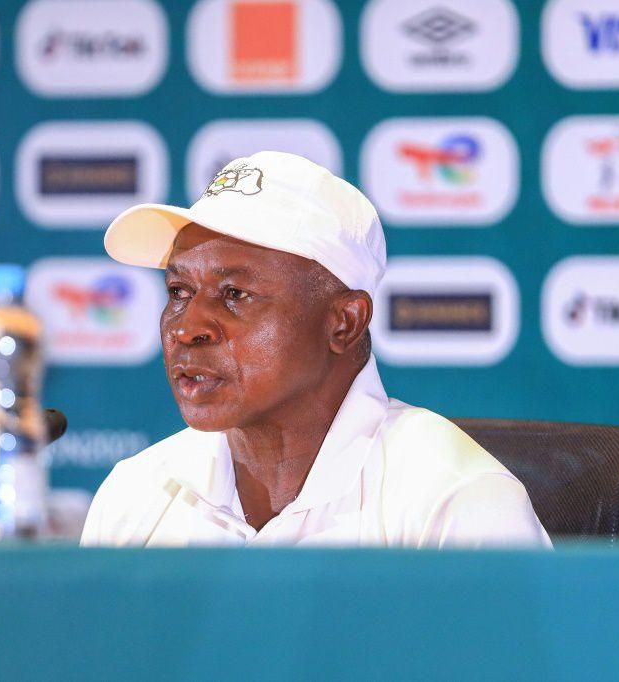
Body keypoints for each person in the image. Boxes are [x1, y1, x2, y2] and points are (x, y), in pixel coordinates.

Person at [80, 151, 551, 548]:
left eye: (235, 295)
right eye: (179, 291)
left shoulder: (455, 502)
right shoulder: (136, 494)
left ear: (344, 323)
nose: (187, 328)